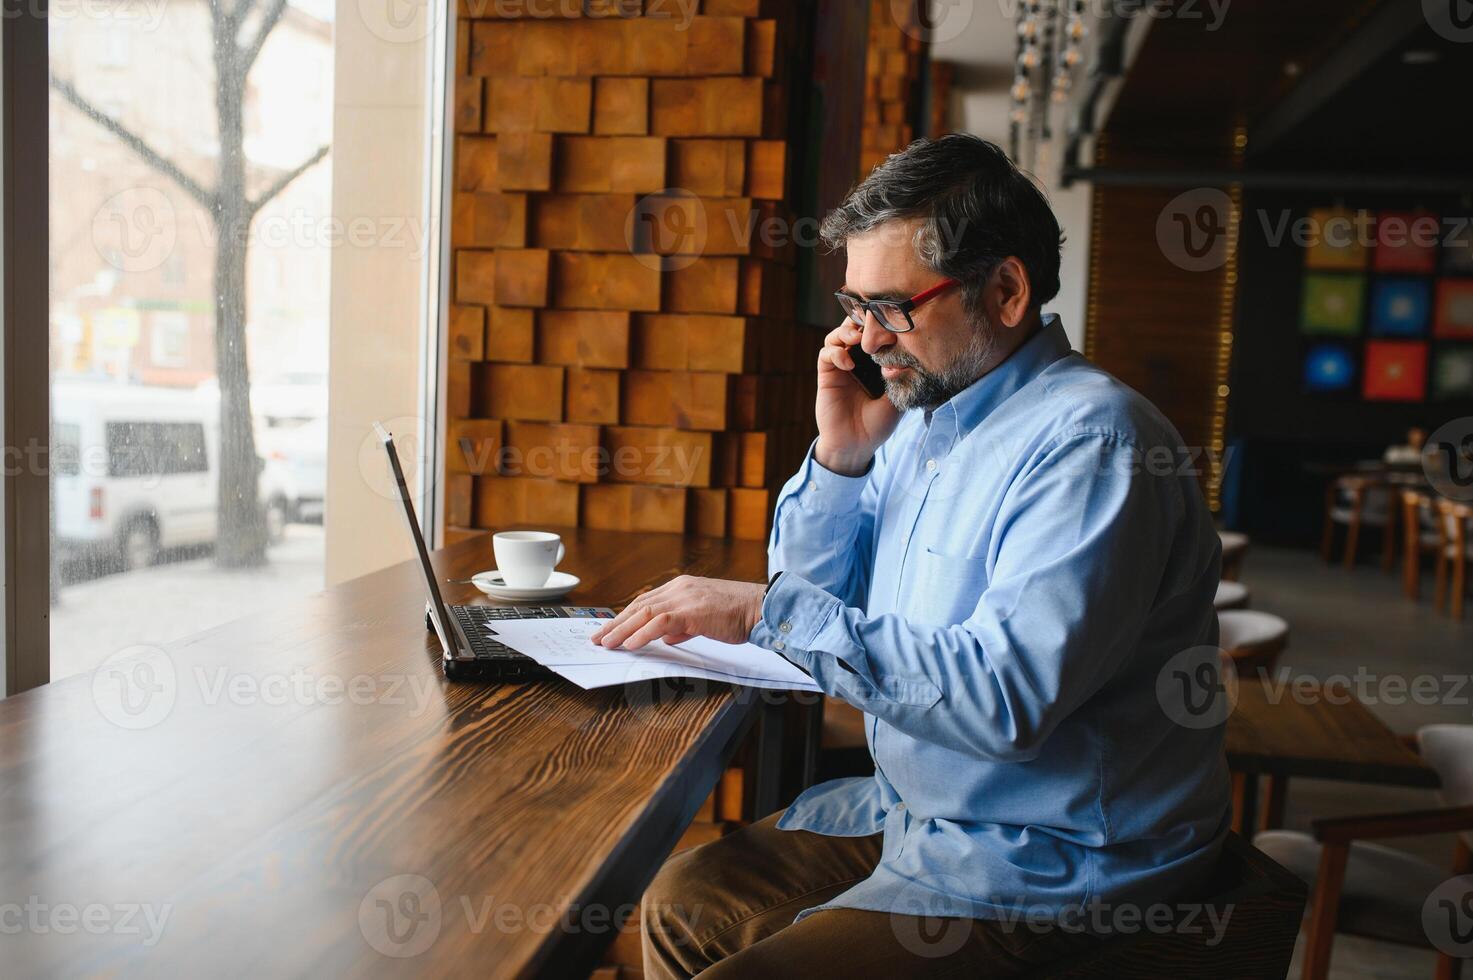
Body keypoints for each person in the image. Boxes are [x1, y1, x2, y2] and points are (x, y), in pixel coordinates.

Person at [590, 135, 1231, 978]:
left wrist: (757, 609)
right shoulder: (918, 415)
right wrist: (841, 458)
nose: (864, 338)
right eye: (854, 304)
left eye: (890, 306)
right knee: (685, 903)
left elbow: (1005, 702)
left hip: (1049, 862)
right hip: (918, 815)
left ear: (1004, 291)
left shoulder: (1091, 442)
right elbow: (813, 612)